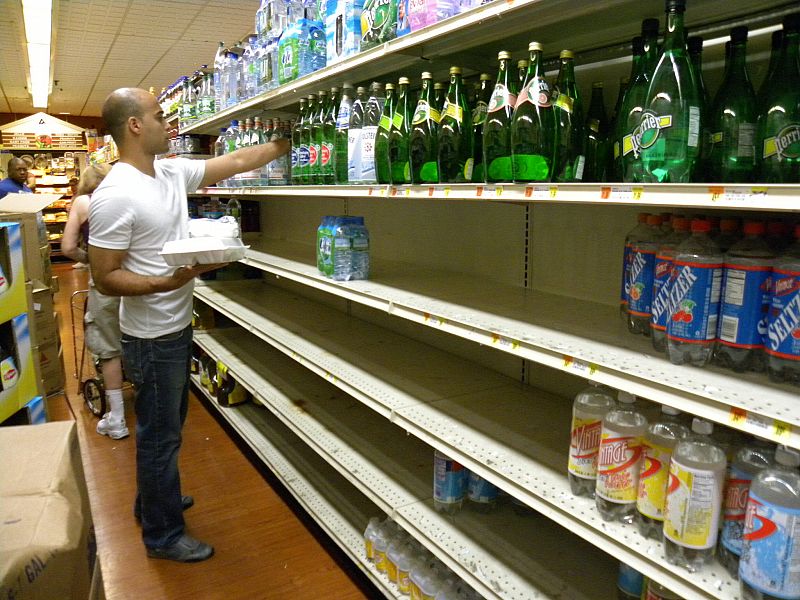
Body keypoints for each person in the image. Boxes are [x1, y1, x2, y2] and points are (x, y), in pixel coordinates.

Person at [88, 87, 289, 563]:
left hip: (176, 327)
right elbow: (104, 276)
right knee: (160, 436)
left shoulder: (170, 170)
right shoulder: (115, 196)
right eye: (159, 117)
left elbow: (239, 161)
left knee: (168, 426)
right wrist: (165, 283)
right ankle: (162, 535)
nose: (169, 124)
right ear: (135, 125)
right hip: (150, 337)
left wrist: (288, 139)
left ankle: (151, 501)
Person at [61, 163, 129, 439]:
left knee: (108, 345)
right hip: (137, 275)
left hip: (106, 281)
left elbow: (67, 247)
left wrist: (89, 259)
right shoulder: (126, 197)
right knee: (139, 337)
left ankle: (118, 418)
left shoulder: (83, 202)